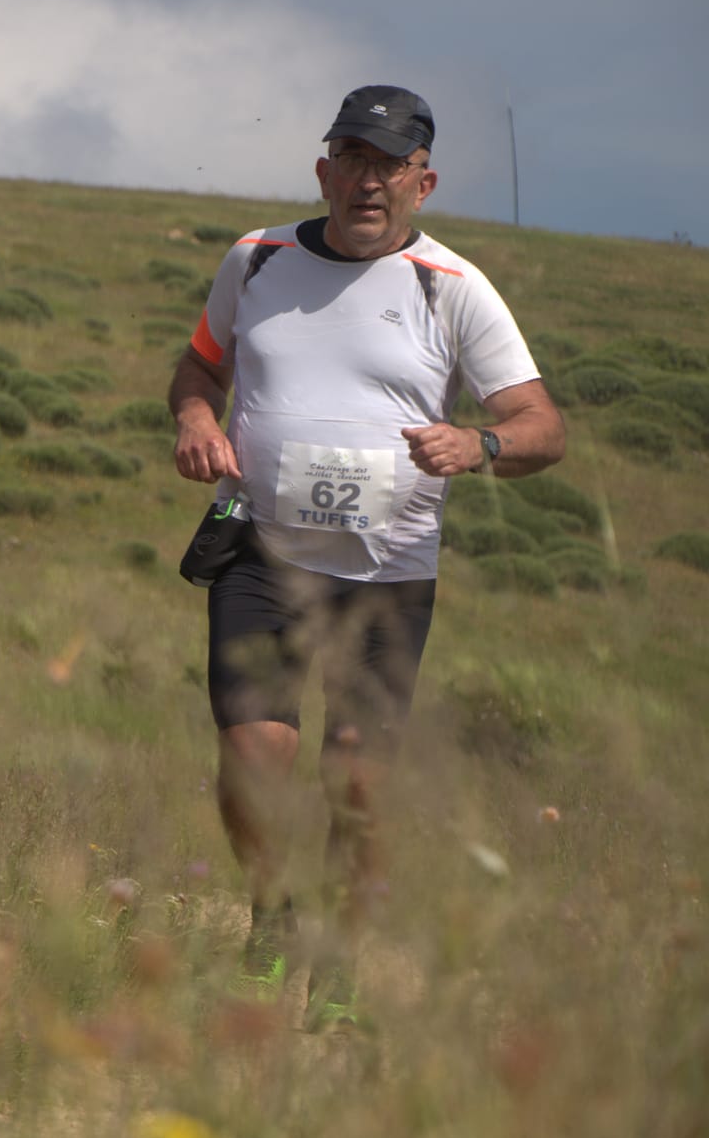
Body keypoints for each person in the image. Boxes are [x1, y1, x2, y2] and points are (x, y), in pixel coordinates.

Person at [166, 85, 565, 1029]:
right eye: (351, 157)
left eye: (388, 165)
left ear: (422, 183)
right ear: (323, 171)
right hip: (262, 554)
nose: (367, 180)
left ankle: (339, 977)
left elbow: (543, 426)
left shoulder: (454, 286)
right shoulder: (256, 259)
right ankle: (273, 918)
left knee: (357, 784)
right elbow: (199, 368)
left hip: (388, 578)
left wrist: (483, 446)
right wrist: (192, 417)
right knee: (252, 761)